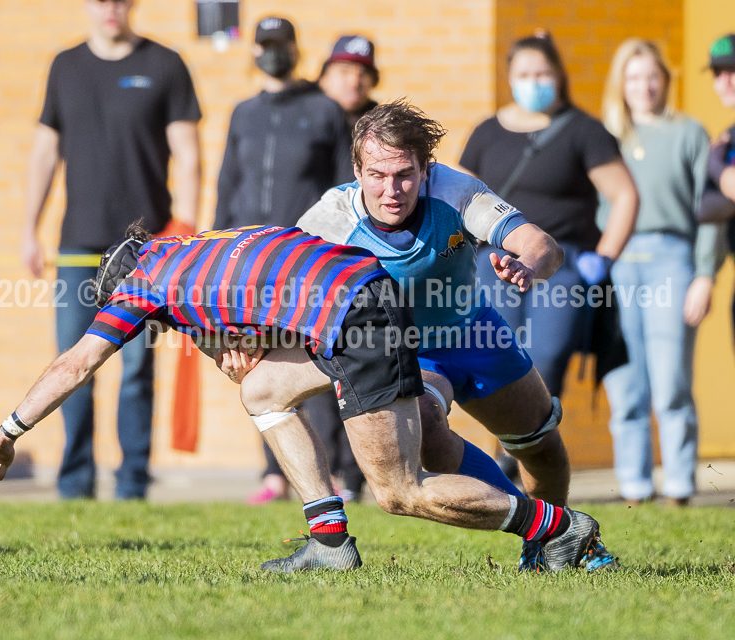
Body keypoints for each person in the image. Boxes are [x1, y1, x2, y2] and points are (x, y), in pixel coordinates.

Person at [0, 224, 616, 575]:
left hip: (356, 320)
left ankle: (558, 529)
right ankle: (328, 540)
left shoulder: (143, 286)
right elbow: (277, 286)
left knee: (398, 491)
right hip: (368, 292)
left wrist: (9, 429)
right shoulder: (205, 247)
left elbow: (78, 361)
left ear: (127, 285)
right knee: (264, 388)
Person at [297, 99, 617, 572]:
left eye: (404, 174)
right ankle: (551, 530)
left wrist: (526, 266)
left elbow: (540, 244)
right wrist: (240, 346)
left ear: (426, 170)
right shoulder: (329, 221)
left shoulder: (457, 191)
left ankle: (550, 547)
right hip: (405, 353)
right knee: (426, 421)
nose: (391, 190)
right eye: (377, 175)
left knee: (540, 446)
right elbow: (276, 289)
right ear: (357, 170)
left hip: (476, 334)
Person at [21, 0, 202, 499]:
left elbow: (188, 155)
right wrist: (28, 229)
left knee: (137, 370)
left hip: (145, 248)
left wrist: (183, 234)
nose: (110, 9)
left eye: (120, 1)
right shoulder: (66, 66)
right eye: (101, 0)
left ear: (133, 6)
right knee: (71, 363)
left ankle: (132, 482)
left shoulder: (164, 64)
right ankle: (74, 480)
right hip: (78, 242)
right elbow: (43, 153)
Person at [458, 34, 639, 453]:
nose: (533, 81)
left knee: (548, 356)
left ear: (558, 74)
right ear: (510, 78)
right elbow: (459, 195)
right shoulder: (488, 131)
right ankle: (507, 456)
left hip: (564, 262)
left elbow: (625, 195)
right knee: (497, 355)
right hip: (494, 262)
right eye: (524, 74)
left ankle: (529, 451)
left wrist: (605, 257)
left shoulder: (583, 130)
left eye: (542, 73)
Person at [214, 16, 355, 504]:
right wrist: (215, 251)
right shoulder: (242, 113)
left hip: (304, 259)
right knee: (255, 365)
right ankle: (274, 473)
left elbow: (343, 189)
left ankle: (333, 470)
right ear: (254, 51)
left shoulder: (324, 111)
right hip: (249, 261)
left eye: (282, 45)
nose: (274, 53)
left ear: (296, 49)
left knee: (319, 361)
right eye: (265, 45)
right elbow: (227, 184)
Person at [599, 39, 724, 506]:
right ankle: (633, 485)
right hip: (617, 262)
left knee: (671, 380)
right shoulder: (606, 137)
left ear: (665, 81)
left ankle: (679, 486)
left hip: (673, 258)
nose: (643, 86)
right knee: (625, 382)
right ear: (621, 84)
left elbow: (709, 210)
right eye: (633, 77)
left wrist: (704, 274)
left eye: (652, 76)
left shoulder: (690, 133)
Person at [309, 34, 382, 502]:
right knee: (313, 363)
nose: (351, 79)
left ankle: (359, 471)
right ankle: (323, 471)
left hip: (366, 255)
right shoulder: (308, 118)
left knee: (363, 359)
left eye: (360, 71)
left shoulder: (381, 124)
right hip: (315, 252)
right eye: (341, 70)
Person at [698, 34, 735, 344]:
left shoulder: (719, 149)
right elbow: (705, 207)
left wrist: (715, 166)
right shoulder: (730, 137)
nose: (725, 82)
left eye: (733, 71)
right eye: (718, 73)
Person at [318, 35, 379, 129]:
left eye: (363, 73)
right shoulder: (300, 121)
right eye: (344, 71)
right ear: (324, 78)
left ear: (374, 81)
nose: (354, 82)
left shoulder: (382, 131)